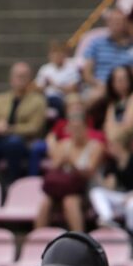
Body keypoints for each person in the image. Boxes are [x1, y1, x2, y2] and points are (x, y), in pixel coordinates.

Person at [0, 61, 49, 186]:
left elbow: (35, 127)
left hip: (23, 142)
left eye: (24, 76)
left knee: (13, 142)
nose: (20, 80)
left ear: (30, 79)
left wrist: (10, 129)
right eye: (18, 76)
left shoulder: (38, 101)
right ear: (11, 78)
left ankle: (12, 184)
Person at [36, 94, 102, 232]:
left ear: (86, 128)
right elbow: (53, 169)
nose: (76, 132)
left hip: (85, 189)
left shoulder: (96, 146)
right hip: (62, 187)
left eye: (79, 128)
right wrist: (61, 161)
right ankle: (37, 240)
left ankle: (78, 238)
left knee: (70, 201)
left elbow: (90, 173)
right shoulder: (63, 144)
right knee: (45, 202)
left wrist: (73, 164)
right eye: (73, 128)